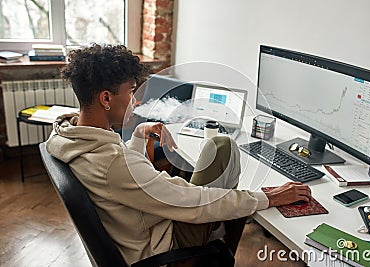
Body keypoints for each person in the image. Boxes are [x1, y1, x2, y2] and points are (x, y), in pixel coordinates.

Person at [46, 43, 312, 265]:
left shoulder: (70, 135)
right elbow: (194, 201)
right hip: (163, 248)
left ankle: (223, 224)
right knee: (223, 160)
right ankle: (220, 239)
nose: (135, 101)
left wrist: (139, 135)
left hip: (138, 226)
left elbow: (118, 174)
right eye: (130, 92)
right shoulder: (114, 164)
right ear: (106, 98)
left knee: (220, 146)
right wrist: (266, 197)